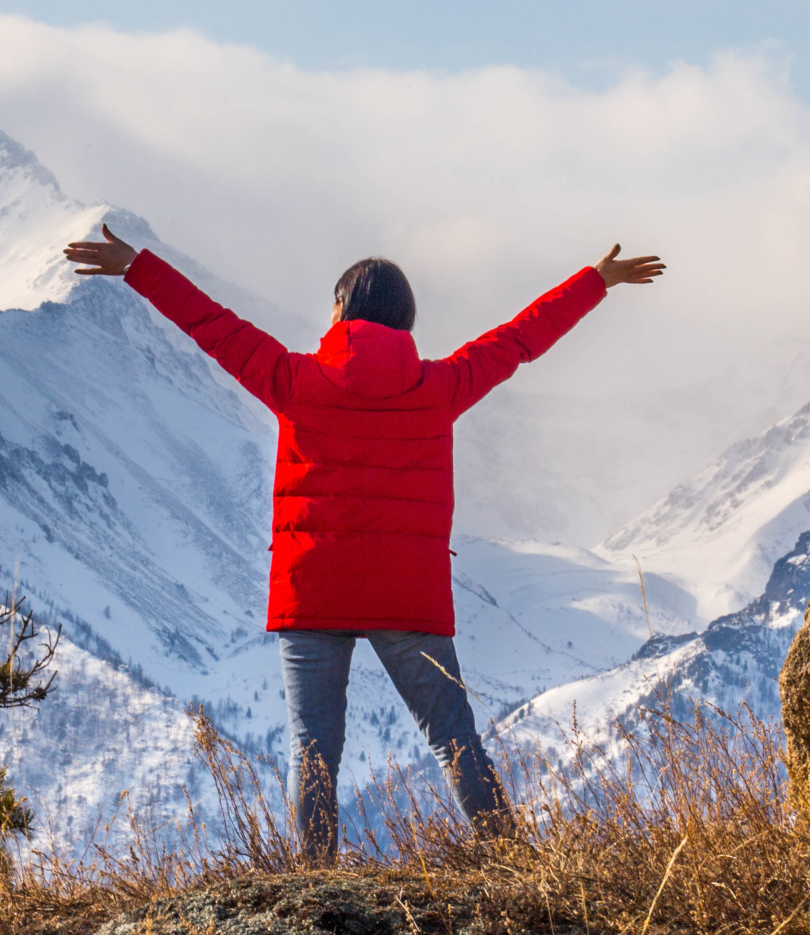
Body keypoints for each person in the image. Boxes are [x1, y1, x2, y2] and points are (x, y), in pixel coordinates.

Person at [63, 225, 664, 862]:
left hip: (313, 591)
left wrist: (138, 266)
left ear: (341, 311)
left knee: (312, 748)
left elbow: (213, 325)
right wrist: (596, 280)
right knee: (454, 738)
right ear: (406, 321)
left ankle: (313, 887)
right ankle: (513, 864)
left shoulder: (291, 379)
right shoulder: (441, 386)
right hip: (408, 597)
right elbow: (519, 339)